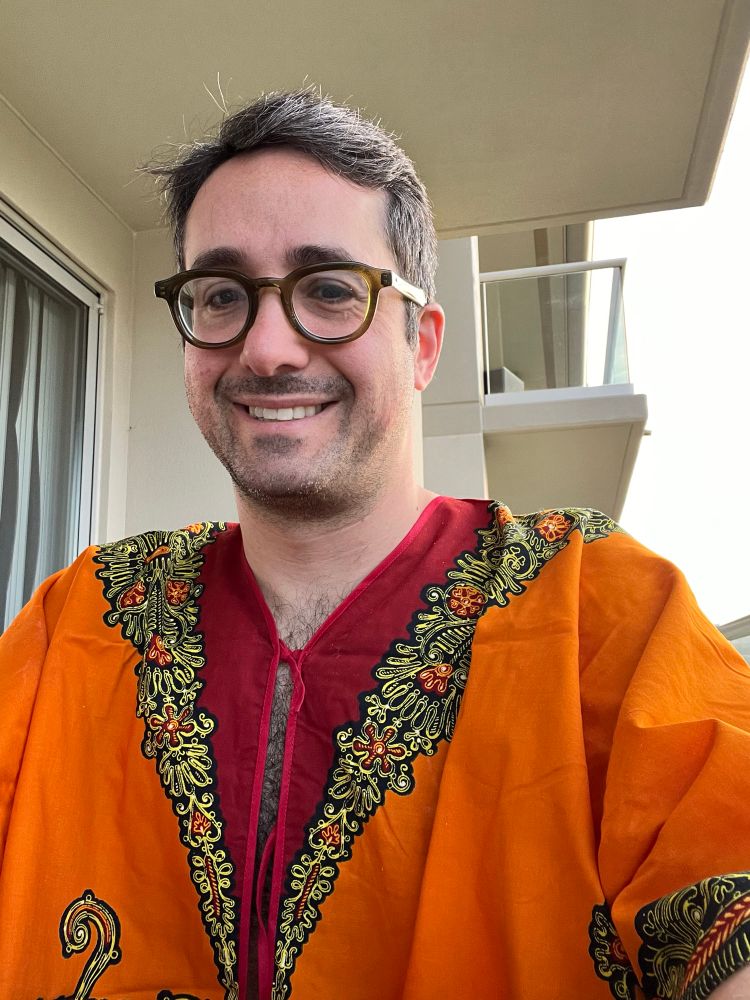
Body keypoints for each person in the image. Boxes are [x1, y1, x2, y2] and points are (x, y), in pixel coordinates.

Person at [1, 89, 749, 1000]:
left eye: (328, 290)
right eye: (222, 295)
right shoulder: (79, 618)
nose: (267, 348)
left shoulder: (597, 607)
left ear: (422, 344)